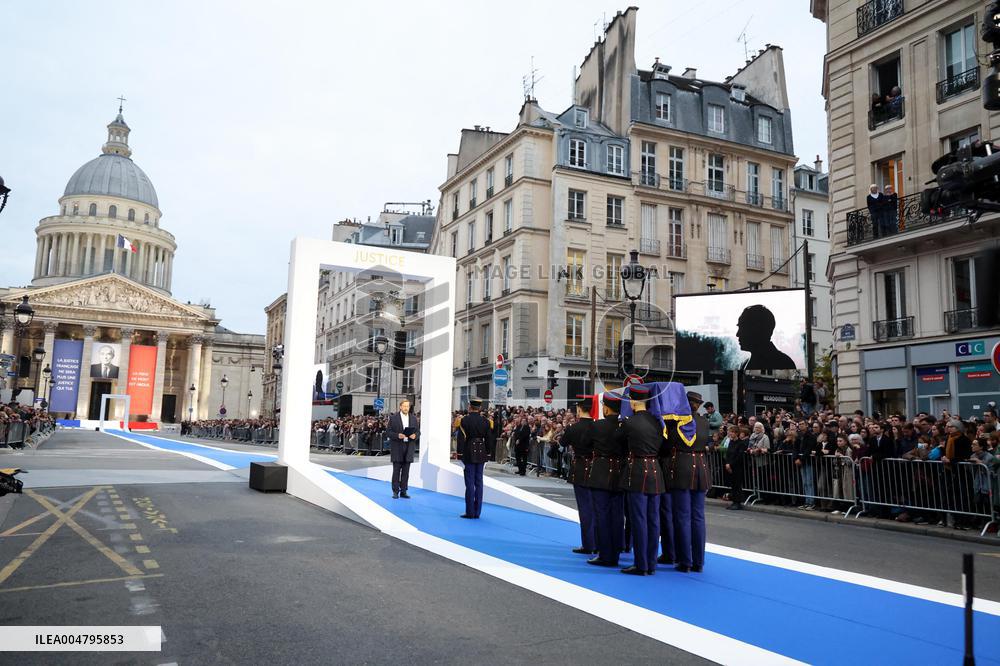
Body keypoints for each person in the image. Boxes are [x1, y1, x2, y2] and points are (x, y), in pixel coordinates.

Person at [619, 385, 665, 576]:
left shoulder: (629, 423)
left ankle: (641, 564)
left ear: (633, 400)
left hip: (637, 471)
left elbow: (621, 444)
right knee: (654, 521)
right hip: (655, 470)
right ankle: (651, 564)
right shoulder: (657, 422)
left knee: (639, 519)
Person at [667, 391, 711, 573]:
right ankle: (698, 561)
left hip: (682, 468)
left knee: (682, 517)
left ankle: (685, 560)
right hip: (700, 468)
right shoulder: (704, 422)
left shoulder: (676, 422)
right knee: (698, 517)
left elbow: (668, 444)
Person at [585, 392, 627, 568]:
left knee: (601, 515)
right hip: (619, 472)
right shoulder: (624, 426)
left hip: (601, 472)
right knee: (617, 516)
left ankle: (605, 554)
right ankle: (617, 551)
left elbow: (586, 445)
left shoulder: (598, 426)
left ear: (606, 408)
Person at [563, 396, 597, 555]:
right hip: (597, 468)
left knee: (584, 509)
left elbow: (563, 442)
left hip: (580, 468)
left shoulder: (573, 428)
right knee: (598, 508)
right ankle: (598, 542)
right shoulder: (598, 427)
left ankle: (588, 544)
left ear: (579, 409)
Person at [456, 397, 494, 519]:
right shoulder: (486, 421)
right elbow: (489, 439)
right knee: (479, 483)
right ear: (480, 408)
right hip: (481, 452)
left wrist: (460, 454)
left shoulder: (464, 420)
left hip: (468, 452)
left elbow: (461, 439)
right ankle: (477, 512)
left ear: (470, 407)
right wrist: (488, 453)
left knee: (469, 483)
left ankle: (470, 512)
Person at [736, 305, 797, 371]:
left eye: (743, 328)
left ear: (758, 330)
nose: (737, 334)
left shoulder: (784, 363)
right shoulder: (744, 364)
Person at [387, 398, 419, 499]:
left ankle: (404, 491)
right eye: (404, 406)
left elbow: (418, 432)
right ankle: (395, 491)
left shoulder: (414, 418)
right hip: (397, 447)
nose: (406, 408)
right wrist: (397, 435)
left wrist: (415, 436)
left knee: (406, 471)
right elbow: (388, 432)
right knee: (396, 471)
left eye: (408, 406)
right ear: (400, 407)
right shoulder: (393, 418)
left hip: (409, 447)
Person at [725, 426, 750, 509]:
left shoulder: (741, 443)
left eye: (732, 432)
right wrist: (727, 463)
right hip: (730, 466)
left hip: (737, 467)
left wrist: (731, 464)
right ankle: (734, 501)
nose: (730, 433)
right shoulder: (731, 442)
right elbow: (728, 454)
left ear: (736, 433)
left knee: (737, 484)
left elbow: (739, 456)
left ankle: (738, 502)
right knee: (733, 484)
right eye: (730, 432)